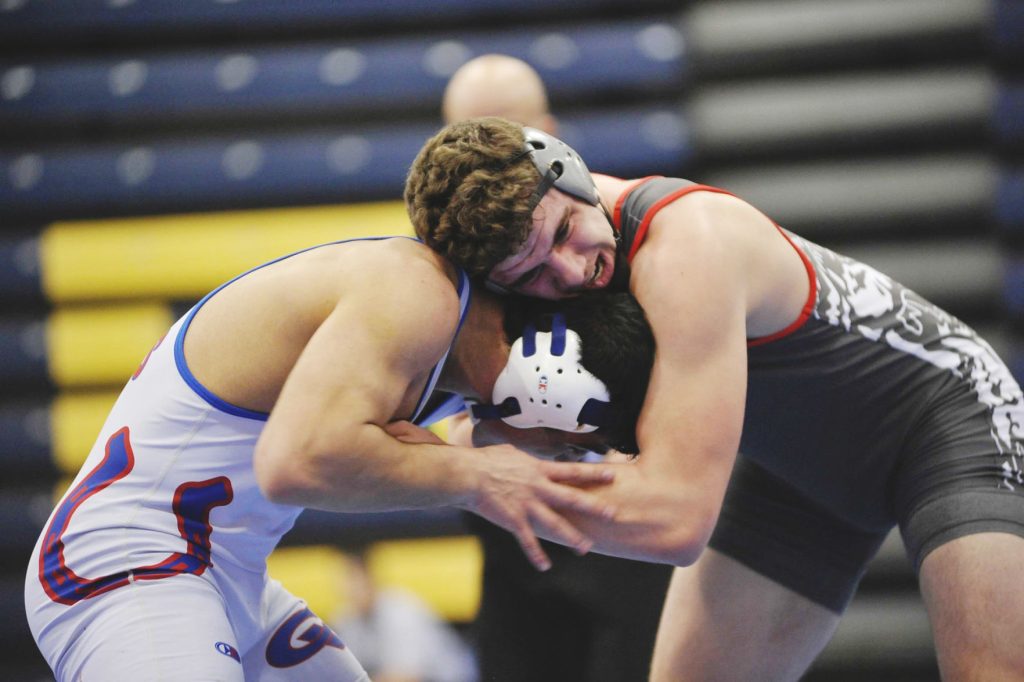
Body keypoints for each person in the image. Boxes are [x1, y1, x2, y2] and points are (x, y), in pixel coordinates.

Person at [404, 117, 1024, 680]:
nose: (570, 273)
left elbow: (676, 520)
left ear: (573, 173)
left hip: (947, 419)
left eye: (566, 232)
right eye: (532, 276)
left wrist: (472, 482)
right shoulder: (532, 252)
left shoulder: (686, 243)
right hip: (791, 473)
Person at [23, 233, 655, 681]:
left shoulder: (443, 344)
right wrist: (474, 476)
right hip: (132, 563)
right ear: (552, 385)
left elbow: (429, 455)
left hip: (224, 576)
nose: (556, 456)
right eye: (570, 442)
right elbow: (297, 462)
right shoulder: (416, 293)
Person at [441, 54, 673, 682]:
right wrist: (480, 451)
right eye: (468, 137)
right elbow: (443, 421)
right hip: (514, 540)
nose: (486, 159)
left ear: (549, 135)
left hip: (626, 538)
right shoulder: (449, 266)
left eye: (506, 137)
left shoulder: (624, 237)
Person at [332, 550, 478, 682]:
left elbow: (407, 677)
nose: (348, 589)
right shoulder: (347, 618)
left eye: (353, 580)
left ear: (370, 579)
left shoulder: (401, 612)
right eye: (344, 581)